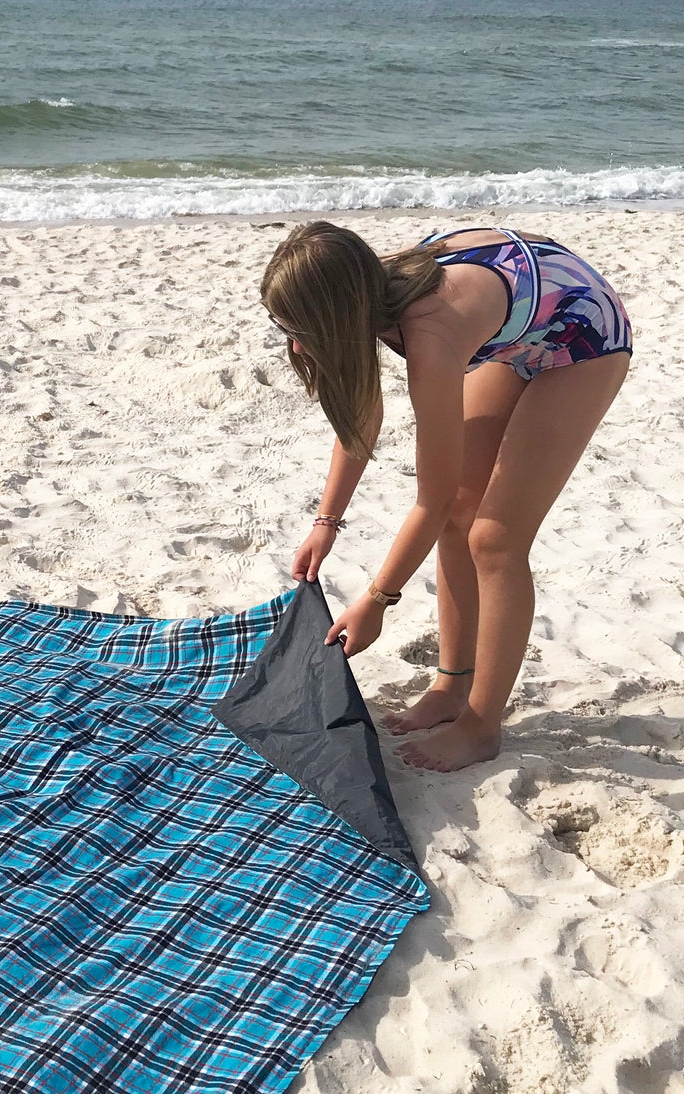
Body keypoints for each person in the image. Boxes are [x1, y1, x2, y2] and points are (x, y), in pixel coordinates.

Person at [261, 220, 632, 772]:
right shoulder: (363, 284)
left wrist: (377, 600)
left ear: (334, 315)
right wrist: (326, 521)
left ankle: (481, 726)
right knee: (464, 507)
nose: (292, 341)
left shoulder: (431, 337)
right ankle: (452, 686)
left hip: (583, 336)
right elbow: (360, 421)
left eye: (296, 326)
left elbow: (425, 502)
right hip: (521, 327)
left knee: (495, 539)